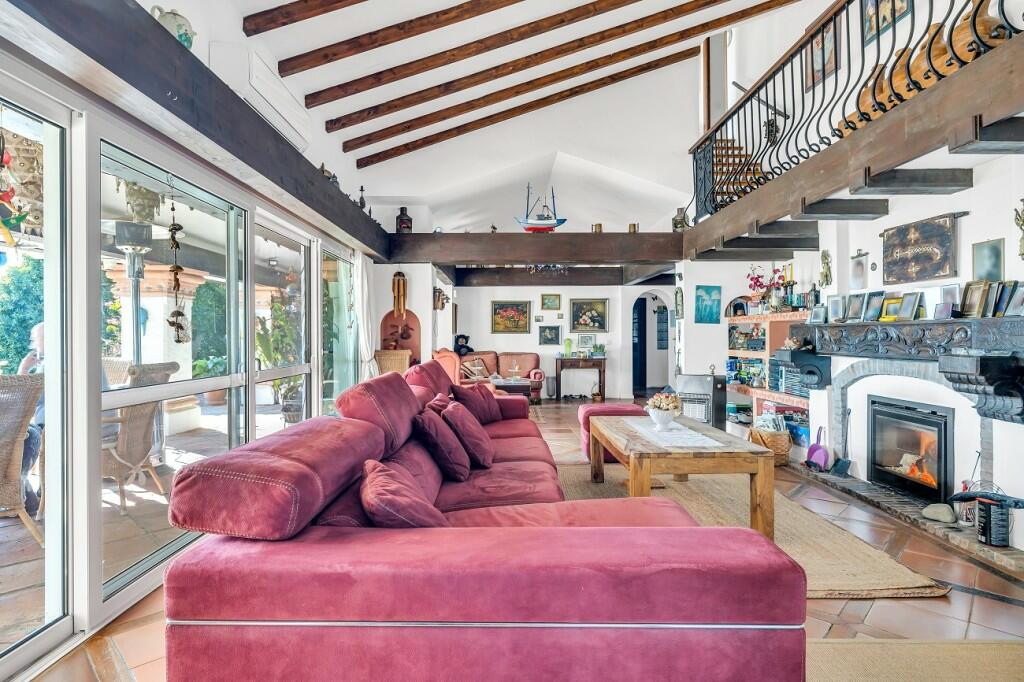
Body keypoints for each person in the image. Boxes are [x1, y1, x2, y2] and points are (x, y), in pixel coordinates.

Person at [17, 322, 44, 516]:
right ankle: (22, 487)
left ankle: (21, 487)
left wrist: (23, 369)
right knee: (29, 432)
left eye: (35, 339)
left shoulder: (55, 362)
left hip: (63, 424)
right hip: (98, 423)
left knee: (27, 433)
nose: (32, 344)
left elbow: (28, 399)